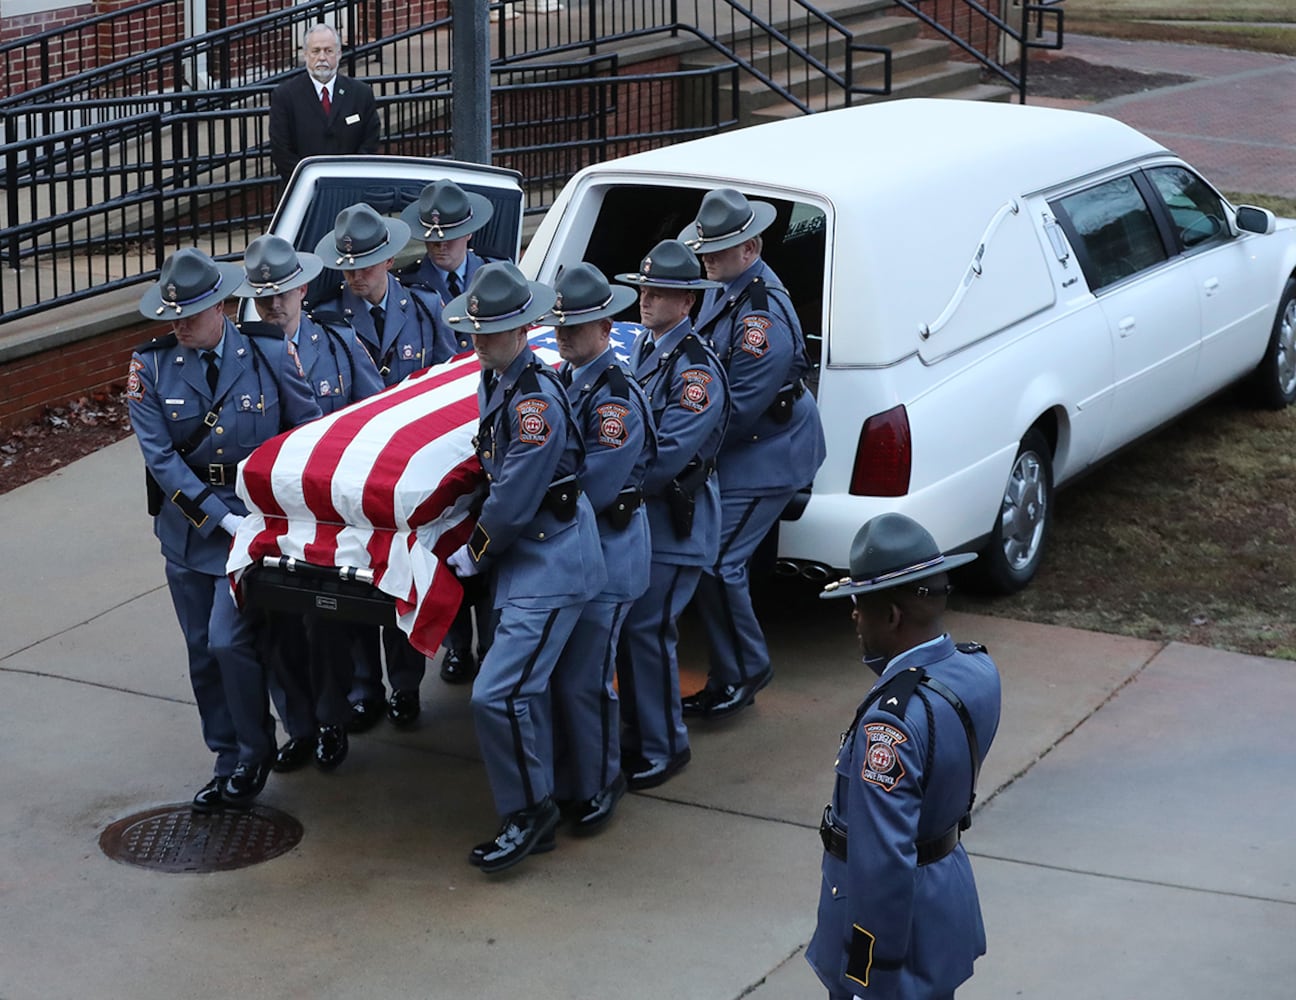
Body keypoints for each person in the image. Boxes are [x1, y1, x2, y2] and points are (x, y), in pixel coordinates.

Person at [127, 248, 321, 812]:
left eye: (190, 314)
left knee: (240, 639)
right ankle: (233, 754)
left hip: (258, 526)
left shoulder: (266, 352)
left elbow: (306, 432)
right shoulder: (151, 368)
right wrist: (221, 517)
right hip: (193, 534)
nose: (179, 325)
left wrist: (273, 513)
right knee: (205, 650)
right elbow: (162, 462)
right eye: (172, 316)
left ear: (220, 307)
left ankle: (290, 732)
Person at [441, 262, 606, 874]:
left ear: (523, 329)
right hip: (529, 557)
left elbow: (514, 490)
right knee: (523, 692)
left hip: (549, 558)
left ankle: (528, 812)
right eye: (477, 332)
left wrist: (474, 550)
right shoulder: (500, 378)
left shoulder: (532, 398)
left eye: (494, 332)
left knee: (498, 693)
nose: (480, 342)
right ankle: (543, 800)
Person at [807, 513, 1001, 1000]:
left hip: (896, 936)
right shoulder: (978, 670)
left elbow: (883, 862)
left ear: (892, 616)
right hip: (943, 901)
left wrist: (867, 973)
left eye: (858, 605)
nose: (853, 616)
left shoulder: (889, 724)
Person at [231, 233, 385, 774]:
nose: (275, 305)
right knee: (276, 627)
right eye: (264, 296)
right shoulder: (242, 355)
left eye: (284, 293)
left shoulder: (338, 341)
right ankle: (297, 725)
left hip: (330, 513)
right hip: (272, 515)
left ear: (301, 288)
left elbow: (374, 414)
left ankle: (330, 720)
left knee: (326, 625)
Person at [678, 187, 827, 720]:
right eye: (707, 248)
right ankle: (731, 667)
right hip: (747, 445)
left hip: (770, 450)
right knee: (710, 560)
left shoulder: (761, 315)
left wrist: (678, 445)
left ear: (753, 247)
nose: (709, 258)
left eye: (722, 249)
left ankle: (743, 671)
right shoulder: (726, 286)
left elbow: (738, 408)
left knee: (718, 562)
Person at [314, 202, 458, 730]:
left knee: (400, 578)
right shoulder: (328, 319)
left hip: (409, 474)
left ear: (391, 259)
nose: (355, 276)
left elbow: (446, 383)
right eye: (348, 267)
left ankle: (404, 685)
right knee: (355, 583)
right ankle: (363, 687)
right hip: (354, 473)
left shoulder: (423, 309)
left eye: (365, 266)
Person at [613, 239, 728, 790]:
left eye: (660, 293)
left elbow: (666, 456)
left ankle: (665, 745)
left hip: (676, 523)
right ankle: (639, 733)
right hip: (648, 521)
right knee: (637, 629)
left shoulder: (695, 372)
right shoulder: (646, 348)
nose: (646, 299)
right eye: (643, 289)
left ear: (687, 304)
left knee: (649, 630)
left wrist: (610, 476)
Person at [543, 263, 652, 833]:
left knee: (586, 677)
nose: (565, 333)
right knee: (565, 675)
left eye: (578, 324)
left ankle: (600, 781)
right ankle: (574, 774)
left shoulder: (613, 399)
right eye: (561, 323)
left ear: (606, 324)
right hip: (575, 551)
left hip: (606, 553)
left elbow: (594, 487)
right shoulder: (566, 377)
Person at [397, 177, 501, 684]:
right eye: (432, 238)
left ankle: (491, 641)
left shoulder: (497, 278)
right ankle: (459, 646)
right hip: (443, 443)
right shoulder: (411, 289)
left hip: (494, 430)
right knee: (447, 540)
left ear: (470, 235)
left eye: (449, 237)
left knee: (489, 536)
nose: (439, 246)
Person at [269, 23, 380, 182]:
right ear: (306, 54)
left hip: (351, 188)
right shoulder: (285, 96)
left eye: (328, 51)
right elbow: (281, 151)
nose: (322, 57)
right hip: (303, 191)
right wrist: (311, 181)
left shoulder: (361, 93)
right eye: (316, 51)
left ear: (339, 53)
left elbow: (370, 142)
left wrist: (349, 178)